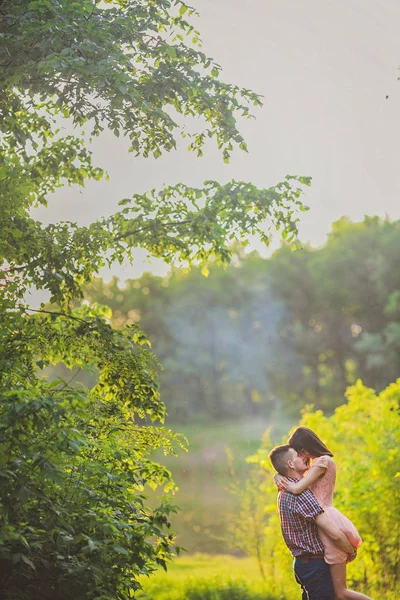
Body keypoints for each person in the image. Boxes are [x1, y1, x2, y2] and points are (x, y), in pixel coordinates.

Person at [274, 427, 373, 600]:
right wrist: (350, 550)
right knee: (339, 593)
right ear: (292, 463)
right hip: (314, 563)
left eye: (299, 453)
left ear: (305, 449)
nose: (303, 458)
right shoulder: (301, 494)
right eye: (298, 456)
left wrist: (279, 476)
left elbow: (297, 483)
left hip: (303, 563)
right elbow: (335, 535)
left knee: (338, 594)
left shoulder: (288, 490)